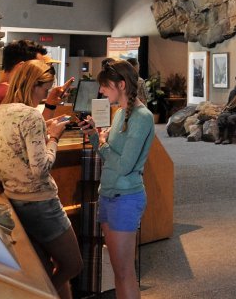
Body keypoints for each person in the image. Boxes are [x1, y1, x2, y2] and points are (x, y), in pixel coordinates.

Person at [0, 60, 82, 299]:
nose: (46, 94)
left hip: (14, 201)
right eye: (45, 89)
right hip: (42, 203)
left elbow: (15, 147)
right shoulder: (30, 115)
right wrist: (53, 137)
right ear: (33, 85)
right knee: (72, 265)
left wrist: (44, 127)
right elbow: (40, 169)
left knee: (43, 268)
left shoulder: (1, 111)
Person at [78, 59, 155, 299]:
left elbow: (124, 166)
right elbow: (109, 156)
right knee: (117, 271)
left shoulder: (142, 117)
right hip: (109, 194)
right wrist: (94, 136)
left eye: (105, 86)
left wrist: (103, 143)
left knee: (124, 272)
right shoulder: (121, 113)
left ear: (121, 85)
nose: (101, 91)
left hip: (125, 198)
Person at [0, 39, 74, 117]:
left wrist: (51, 103)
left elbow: (28, 124)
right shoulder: (10, 95)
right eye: (38, 68)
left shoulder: (5, 92)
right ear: (21, 68)